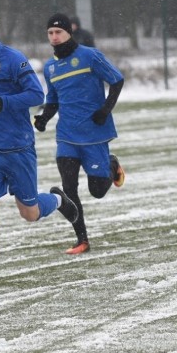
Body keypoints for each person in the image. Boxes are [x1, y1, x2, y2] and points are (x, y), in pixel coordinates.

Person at [0, 9, 79, 296]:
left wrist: (4, 102)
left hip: (18, 149)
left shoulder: (13, 60)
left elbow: (36, 95)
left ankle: (56, 200)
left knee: (29, 213)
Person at [34, 13, 126, 254]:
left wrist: (105, 109)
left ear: (69, 33)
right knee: (69, 187)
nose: (54, 37)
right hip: (66, 136)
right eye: (50, 33)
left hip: (94, 134)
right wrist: (43, 118)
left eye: (58, 32)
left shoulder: (89, 56)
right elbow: (52, 100)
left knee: (97, 191)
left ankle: (111, 163)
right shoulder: (50, 67)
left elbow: (117, 80)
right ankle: (82, 240)